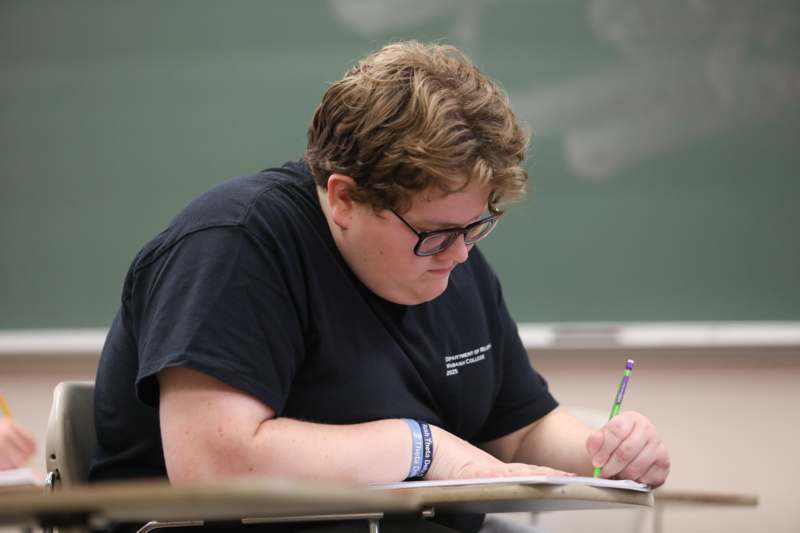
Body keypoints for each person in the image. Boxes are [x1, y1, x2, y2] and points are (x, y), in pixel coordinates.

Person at [91, 41, 670, 532]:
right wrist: (424, 448)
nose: (461, 253)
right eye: (437, 232)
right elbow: (215, 463)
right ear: (344, 198)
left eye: (478, 225)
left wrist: (606, 450)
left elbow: (516, 435)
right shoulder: (234, 245)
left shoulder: (452, 259)